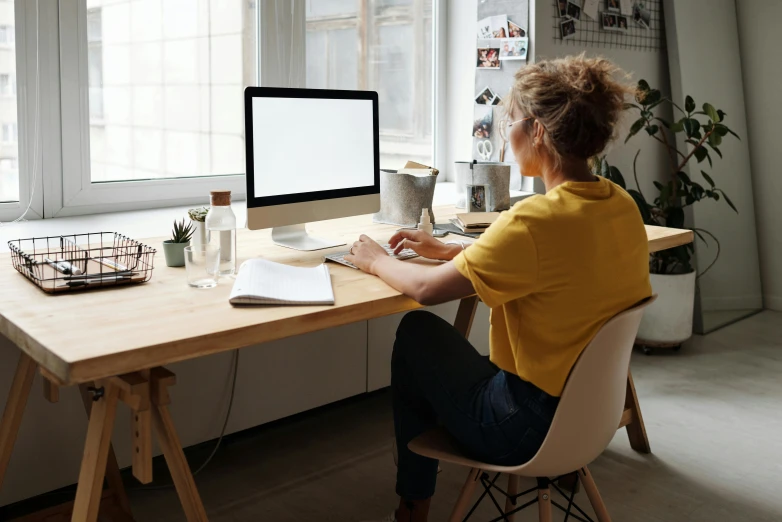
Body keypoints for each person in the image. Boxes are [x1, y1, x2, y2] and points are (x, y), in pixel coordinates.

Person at [349, 54, 651, 522]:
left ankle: (413, 504)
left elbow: (427, 292)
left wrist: (375, 260)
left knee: (416, 331)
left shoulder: (533, 220)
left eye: (511, 120)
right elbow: (558, 266)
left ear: (537, 132)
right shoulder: (620, 204)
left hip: (523, 426)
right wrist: (451, 252)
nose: (506, 133)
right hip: (589, 419)